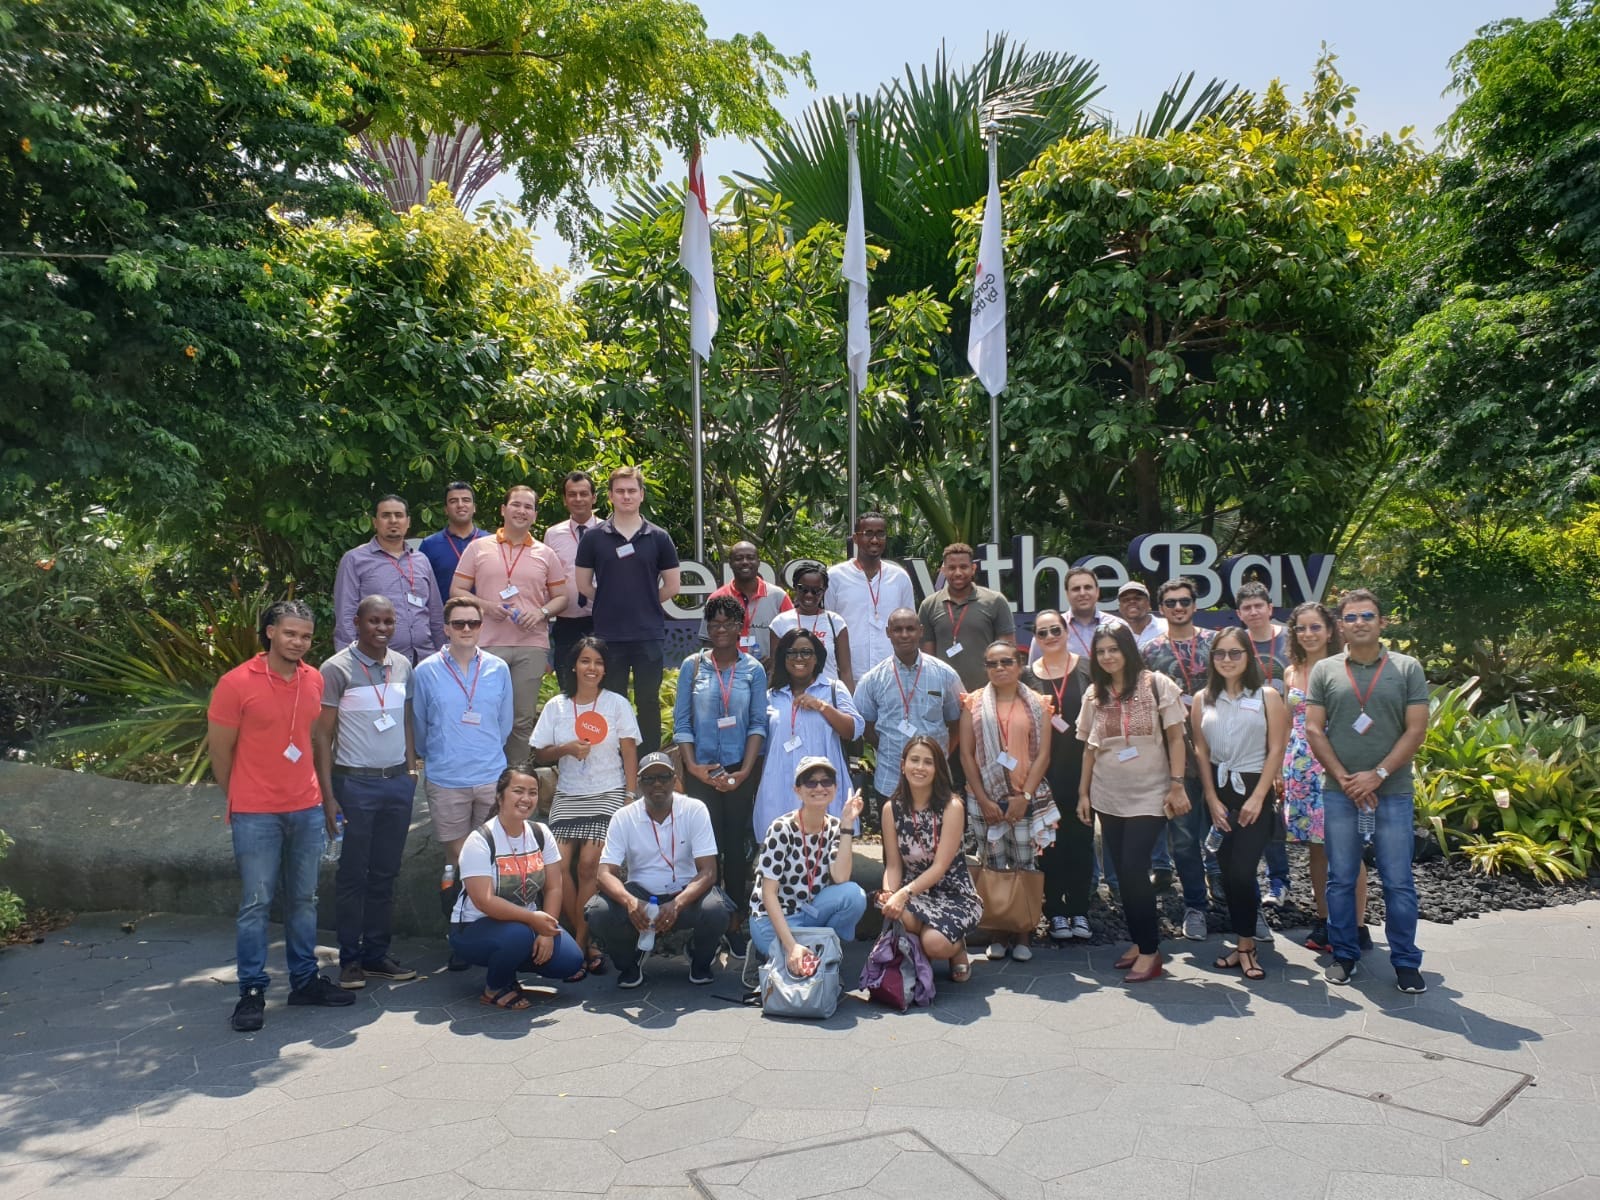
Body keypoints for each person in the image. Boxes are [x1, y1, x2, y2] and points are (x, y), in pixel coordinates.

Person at [208, 601, 354, 1032]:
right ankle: (251, 991)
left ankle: (305, 980)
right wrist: (239, 795)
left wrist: (324, 800)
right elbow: (220, 752)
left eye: (306, 636)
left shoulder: (314, 679)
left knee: (305, 900)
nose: (298, 642)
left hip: (305, 807)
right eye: (290, 633)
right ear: (270, 632)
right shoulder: (236, 683)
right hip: (256, 813)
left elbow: (314, 740)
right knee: (255, 903)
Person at [1305, 589, 1431, 993]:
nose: (1359, 623)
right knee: (1340, 878)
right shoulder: (1325, 670)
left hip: (1392, 791)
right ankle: (1344, 955)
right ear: (1340, 624)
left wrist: (1376, 775)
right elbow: (1313, 728)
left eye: (1367, 616)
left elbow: (1416, 729)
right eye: (1352, 617)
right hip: (1340, 791)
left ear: (1382, 622)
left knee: (1398, 880)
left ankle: (1406, 962)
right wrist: (1345, 778)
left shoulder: (1406, 667)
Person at [311, 595, 419, 990]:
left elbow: (406, 718)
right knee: (353, 874)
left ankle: (376, 954)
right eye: (374, 621)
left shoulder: (403, 664)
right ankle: (350, 958)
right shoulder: (336, 669)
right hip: (354, 784)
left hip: (396, 784)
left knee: (386, 872)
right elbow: (321, 735)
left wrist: (411, 767)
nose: (382, 628)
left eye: (388, 621)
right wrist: (328, 795)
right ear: (357, 622)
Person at [1076, 623, 1189, 983]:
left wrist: (1177, 784)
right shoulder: (1095, 693)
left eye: (1114, 649)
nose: (1108, 656)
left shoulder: (1157, 685)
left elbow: (1176, 738)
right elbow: (1089, 750)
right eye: (1102, 651)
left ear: (1128, 649)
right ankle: (1141, 942)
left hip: (1150, 795)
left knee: (1134, 869)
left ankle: (1151, 951)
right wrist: (1083, 794)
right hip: (1107, 795)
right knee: (1123, 875)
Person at [530, 635, 640, 980]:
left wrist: (630, 795)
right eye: (585, 661)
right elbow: (539, 753)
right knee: (558, 866)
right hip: (568, 794)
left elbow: (629, 753)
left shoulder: (617, 704)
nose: (591, 668)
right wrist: (565, 748)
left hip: (608, 792)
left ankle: (578, 942)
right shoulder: (557, 707)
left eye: (598, 662)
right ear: (573, 665)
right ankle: (585, 942)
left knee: (589, 865)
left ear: (606, 669)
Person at [1189, 627, 1289, 983]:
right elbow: (1200, 750)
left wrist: (1260, 796)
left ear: (1248, 656)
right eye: (1220, 653)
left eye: (1235, 653)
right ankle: (1240, 940)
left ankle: (1246, 945)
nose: (1227, 660)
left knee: (1244, 871)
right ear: (1212, 659)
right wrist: (1211, 798)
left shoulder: (1267, 696)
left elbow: (1277, 748)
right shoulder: (1203, 698)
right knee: (1226, 871)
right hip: (1218, 790)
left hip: (1253, 787)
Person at [672, 593, 768, 951]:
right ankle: (708, 919)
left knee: (735, 846)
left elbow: (758, 724)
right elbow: (682, 724)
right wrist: (694, 767)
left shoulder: (753, 669)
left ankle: (735, 921)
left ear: (740, 628)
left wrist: (744, 772)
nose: (722, 629)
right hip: (702, 772)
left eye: (729, 623)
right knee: (705, 849)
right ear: (707, 628)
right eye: (715, 623)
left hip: (739, 772)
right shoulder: (692, 666)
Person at [587, 752, 731, 989]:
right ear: (639, 784)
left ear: (675, 781)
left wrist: (678, 903)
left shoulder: (695, 809)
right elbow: (604, 873)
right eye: (649, 778)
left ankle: (700, 959)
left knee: (716, 909)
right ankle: (629, 962)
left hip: (685, 893)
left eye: (664, 777)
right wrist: (630, 901)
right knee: (598, 912)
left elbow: (708, 871)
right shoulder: (624, 817)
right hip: (640, 896)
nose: (657, 784)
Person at [447, 767, 585, 1010]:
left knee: (570, 962)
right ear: (500, 796)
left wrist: (547, 931)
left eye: (532, 792)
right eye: (518, 791)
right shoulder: (480, 840)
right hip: (474, 927)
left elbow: (554, 887)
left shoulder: (540, 833)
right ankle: (495, 987)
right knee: (518, 936)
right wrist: (533, 920)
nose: (526, 799)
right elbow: (484, 901)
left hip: (526, 924)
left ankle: (509, 964)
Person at [451, 484, 567, 764]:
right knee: (483, 713)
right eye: (516, 504)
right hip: (487, 644)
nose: (521, 511)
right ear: (503, 509)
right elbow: (457, 590)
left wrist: (541, 612)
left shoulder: (545, 553)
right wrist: (486, 606)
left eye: (528, 507)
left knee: (522, 719)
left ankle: (514, 778)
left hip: (531, 646)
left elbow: (562, 598)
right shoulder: (479, 547)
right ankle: (482, 774)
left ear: (535, 516)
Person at [959, 639, 1057, 962]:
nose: (1000, 668)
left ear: (1019, 665)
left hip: (1022, 797)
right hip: (983, 797)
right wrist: (984, 799)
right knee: (992, 864)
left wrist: (1025, 797)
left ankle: (1024, 933)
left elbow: (1043, 754)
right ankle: (997, 933)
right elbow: (966, 754)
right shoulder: (972, 703)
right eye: (993, 664)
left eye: (1006, 662)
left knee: (1025, 863)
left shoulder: (1039, 703)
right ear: (986, 667)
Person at [574, 466, 681, 753]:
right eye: (619, 491)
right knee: (612, 700)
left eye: (632, 490)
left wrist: (643, 600)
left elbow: (673, 585)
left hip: (648, 634)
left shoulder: (659, 537)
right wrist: (610, 598)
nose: (626, 496)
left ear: (642, 495)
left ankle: (650, 763)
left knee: (648, 701)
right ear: (610, 496)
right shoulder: (593, 538)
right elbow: (583, 585)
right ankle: (614, 759)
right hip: (609, 635)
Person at [1283, 600, 1370, 954]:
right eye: (1301, 628)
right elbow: (1290, 722)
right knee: (1316, 850)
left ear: (1331, 630)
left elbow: (1363, 720)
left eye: (1315, 627)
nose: (1308, 634)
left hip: (1336, 767)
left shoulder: (1347, 669)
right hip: (1300, 769)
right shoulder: (1292, 671)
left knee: (1346, 848)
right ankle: (1325, 919)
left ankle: (1358, 924)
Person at [411, 596, 515, 869]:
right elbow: (419, 725)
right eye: (459, 624)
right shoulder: (424, 672)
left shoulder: (499, 669)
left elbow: (504, 723)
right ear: (446, 629)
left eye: (473, 623)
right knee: (458, 858)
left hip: (490, 776)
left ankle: (488, 912)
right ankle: (457, 912)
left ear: (481, 627)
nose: (466, 629)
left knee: (492, 857)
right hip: (446, 779)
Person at [1142, 577, 1218, 941]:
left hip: (1223, 749)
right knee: (1185, 838)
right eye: (1170, 602)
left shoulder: (1219, 644)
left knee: (1230, 829)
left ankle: (1237, 900)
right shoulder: (1151, 651)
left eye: (1184, 601)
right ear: (1161, 608)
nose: (1178, 607)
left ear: (1195, 604)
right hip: (1178, 756)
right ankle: (1195, 906)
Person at [878, 738, 982, 982]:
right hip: (916, 892)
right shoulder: (890, 809)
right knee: (896, 912)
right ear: (903, 765)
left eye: (928, 762)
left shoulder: (952, 806)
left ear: (937, 769)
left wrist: (902, 895)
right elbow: (893, 865)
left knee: (935, 943)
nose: (920, 767)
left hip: (952, 892)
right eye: (914, 760)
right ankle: (922, 948)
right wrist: (889, 892)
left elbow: (940, 867)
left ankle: (956, 947)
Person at [749, 757, 868, 969]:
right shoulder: (781, 829)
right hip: (774, 919)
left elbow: (841, 877)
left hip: (810, 911)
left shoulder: (835, 827)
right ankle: (777, 951)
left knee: (854, 895)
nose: (819, 788)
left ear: (835, 787)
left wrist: (848, 824)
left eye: (826, 782)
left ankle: (825, 949)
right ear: (798, 790)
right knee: (798, 965)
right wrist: (791, 945)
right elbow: (768, 894)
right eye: (810, 782)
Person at [1020, 609, 1093, 942]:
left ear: (1066, 631)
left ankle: (1080, 910)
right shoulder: (1026, 677)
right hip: (1043, 775)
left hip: (1082, 772)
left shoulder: (1088, 668)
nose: (1050, 637)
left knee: (1080, 842)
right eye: (1042, 633)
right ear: (1035, 638)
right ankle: (1056, 913)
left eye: (1055, 630)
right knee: (1048, 846)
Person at [752, 629, 864, 840]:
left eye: (806, 652)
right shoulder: (771, 696)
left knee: (828, 852)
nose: (799, 658)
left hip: (822, 784)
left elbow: (853, 730)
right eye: (792, 653)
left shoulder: (833, 689)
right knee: (782, 849)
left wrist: (823, 707)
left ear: (817, 658)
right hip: (780, 784)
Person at [854, 608, 964, 806]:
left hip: (935, 779)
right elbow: (865, 726)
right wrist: (889, 748)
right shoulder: (872, 680)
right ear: (888, 632)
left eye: (910, 629)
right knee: (892, 836)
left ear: (921, 631)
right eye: (897, 630)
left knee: (939, 836)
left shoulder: (945, 675)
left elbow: (956, 723)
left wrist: (939, 754)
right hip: (890, 780)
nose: (904, 635)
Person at [1235, 579, 1293, 910]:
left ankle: (1279, 881)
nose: (1254, 612)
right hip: (1248, 740)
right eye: (1247, 607)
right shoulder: (1236, 644)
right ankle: (1248, 883)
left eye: (1260, 606)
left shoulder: (1290, 639)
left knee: (1273, 817)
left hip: (1288, 738)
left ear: (1270, 609)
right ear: (1239, 613)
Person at [332, 495, 444, 664]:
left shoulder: (421, 560)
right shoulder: (355, 560)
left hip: (425, 659)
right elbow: (346, 616)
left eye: (398, 515)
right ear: (375, 522)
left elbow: (435, 613)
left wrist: (443, 656)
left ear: (408, 521)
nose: (393, 521)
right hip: (377, 661)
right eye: (386, 515)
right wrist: (350, 664)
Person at [918, 542, 1017, 692]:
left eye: (963, 567)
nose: (958, 573)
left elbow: (1007, 653)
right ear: (943, 570)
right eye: (951, 568)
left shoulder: (995, 601)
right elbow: (927, 659)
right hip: (945, 696)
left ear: (973, 569)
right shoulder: (929, 605)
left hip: (987, 694)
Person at [826, 512, 915, 676]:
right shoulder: (835, 577)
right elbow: (827, 627)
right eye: (868, 534)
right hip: (849, 674)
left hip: (892, 673)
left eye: (880, 534)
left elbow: (910, 627)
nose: (875, 540)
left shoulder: (899, 577)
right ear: (855, 538)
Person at [544, 470, 604, 675]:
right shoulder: (552, 534)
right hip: (566, 621)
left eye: (583, 493)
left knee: (602, 681)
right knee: (566, 682)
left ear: (594, 497)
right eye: (572, 494)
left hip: (602, 620)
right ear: (564, 499)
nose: (578, 499)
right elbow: (547, 578)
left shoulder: (609, 531)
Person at [697, 541, 793, 667]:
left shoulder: (778, 596)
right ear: (730, 563)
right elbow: (707, 642)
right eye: (738, 558)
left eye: (750, 558)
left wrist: (776, 663)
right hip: (729, 673)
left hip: (769, 673)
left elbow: (792, 637)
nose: (745, 562)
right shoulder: (717, 598)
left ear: (758, 562)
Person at [769, 560, 855, 691]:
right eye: (804, 589)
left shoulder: (835, 622)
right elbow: (776, 668)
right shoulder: (780, 623)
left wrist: (849, 706)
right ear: (795, 587)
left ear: (824, 590)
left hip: (828, 697)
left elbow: (845, 671)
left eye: (816, 591)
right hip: (791, 696)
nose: (809, 595)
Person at [418, 481, 488, 600]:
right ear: (445, 509)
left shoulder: (491, 542)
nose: (460, 505)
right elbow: (422, 588)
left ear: (474, 507)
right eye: (453, 501)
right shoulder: (430, 545)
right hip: (445, 617)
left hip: (486, 616)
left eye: (466, 500)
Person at [1062, 566, 1125, 664]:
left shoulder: (1119, 626)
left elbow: (1133, 665)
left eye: (1088, 587)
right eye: (1076, 589)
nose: (1082, 593)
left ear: (1097, 591)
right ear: (1067, 594)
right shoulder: (1053, 630)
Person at [1116, 581, 1167, 651]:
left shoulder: (1167, 627)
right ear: (1120, 608)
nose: (1132, 602)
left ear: (1148, 604)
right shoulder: (1116, 633)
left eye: (1137, 598)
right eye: (1126, 600)